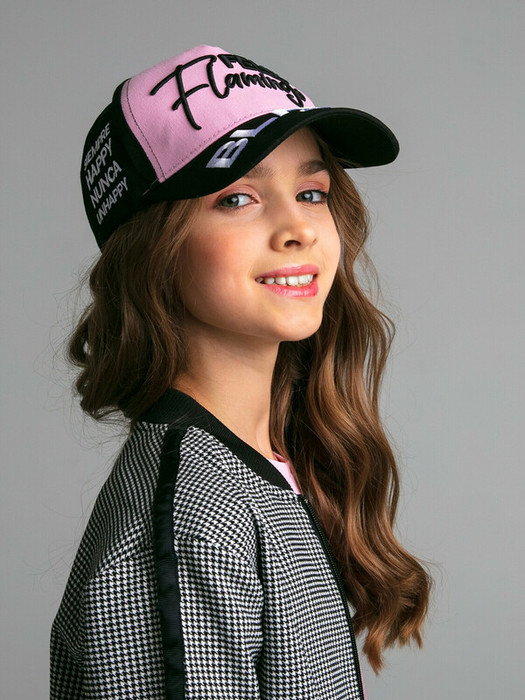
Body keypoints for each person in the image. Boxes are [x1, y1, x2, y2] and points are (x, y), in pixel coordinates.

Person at [50, 44, 431, 699]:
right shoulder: (194, 517)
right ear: (152, 247)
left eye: (311, 192)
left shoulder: (266, 467)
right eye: (237, 199)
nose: (297, 228)